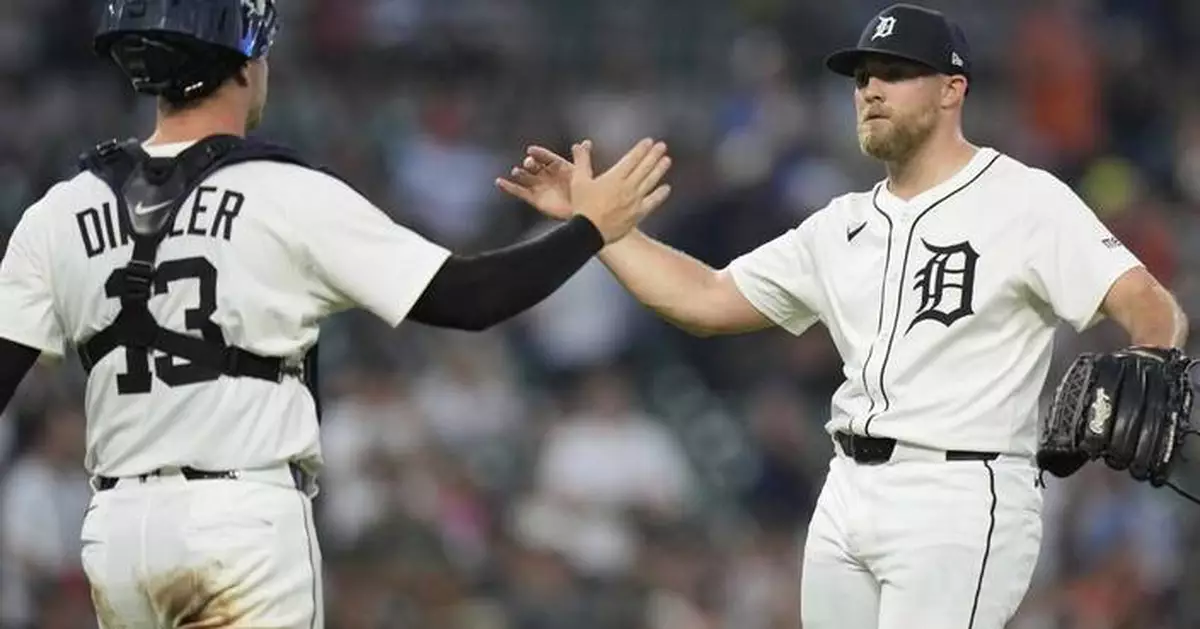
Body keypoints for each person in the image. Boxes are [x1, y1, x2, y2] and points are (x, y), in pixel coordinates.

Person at [496, 4, 1188, 628]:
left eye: (895, 73)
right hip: (846, 491)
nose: (871, 91)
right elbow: (706, 299)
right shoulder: (841, 224)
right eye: (862, 77)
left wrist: (1150, 353)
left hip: (960, 492)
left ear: (953, 90)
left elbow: (1146, 302)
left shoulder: (1025, 199)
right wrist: (600, 230)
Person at [0, 0, 672, 627]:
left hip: (115, 531)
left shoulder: (60, 210)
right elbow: (471, 299)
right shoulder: (288, 193)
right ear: (245, 61)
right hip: (240, 524)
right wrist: (590, 227)